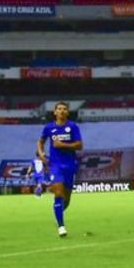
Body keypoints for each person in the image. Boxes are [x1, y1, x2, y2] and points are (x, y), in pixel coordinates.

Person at [37, 102, 83, 237]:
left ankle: (58, 214)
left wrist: (62, 144)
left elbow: (79, 145)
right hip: (55, 165)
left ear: (67, 113)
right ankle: (61, 226)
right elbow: (40, 141)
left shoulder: (72, 127)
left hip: (70, 165)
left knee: (66, 198)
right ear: (55, 112)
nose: (62, 111)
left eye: (64, 109)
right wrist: (41, 153)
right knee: (58, 192)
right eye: (59, 109)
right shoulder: (49, 128)